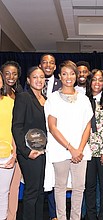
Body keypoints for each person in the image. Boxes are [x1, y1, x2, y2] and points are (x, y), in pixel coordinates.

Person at [44, 60, 93, 220]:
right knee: (60, 187)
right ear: (60, 76)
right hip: (60, 150)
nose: (69, 77)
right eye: (64, 74)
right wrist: (70, 148)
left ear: (77, 75)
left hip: (81, 151)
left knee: (79, 188)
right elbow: (52, 127)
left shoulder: (84, 99)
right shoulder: (53, 98)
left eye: (72, 73)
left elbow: (88, 126)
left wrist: (78, 149)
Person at [12, 66, 46, 220]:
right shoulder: (24, 97)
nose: (39, 80)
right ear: (28, 80)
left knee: (40, 190)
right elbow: (17, 126)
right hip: (29, 153)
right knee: (32, 191)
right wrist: (26, 151)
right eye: (35, 77)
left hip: (43, 151)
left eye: (41, 77)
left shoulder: (46, 99)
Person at [84, 69, 103, 220]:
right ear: (89, 82)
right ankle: (91, 216)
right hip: (86, 152)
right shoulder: (82, 101)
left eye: (100, 80)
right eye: (94, 80)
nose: (97, 83)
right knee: (89, 187)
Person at [39, 53, 62, 220]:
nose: (48, 65)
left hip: (56, 138)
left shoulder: (63, 85)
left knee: (55, 178)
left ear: (55, 67)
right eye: (44, 62)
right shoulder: (33, 84)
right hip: (37, 139)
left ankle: (54, 215)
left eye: (51, 63)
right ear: (40, 65)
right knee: (40, 177)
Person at [1, 60, 23, 220]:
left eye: (14, 73)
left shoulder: (20, 96)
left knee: (13, 188)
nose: (11, 76)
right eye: (7, 73)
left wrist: (16, 151)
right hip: (3, 150)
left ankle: (11, 217)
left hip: (17, 149)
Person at [0, 71, 17, 220]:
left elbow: (15, 130)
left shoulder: (11, 102)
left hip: (6, 155)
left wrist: (15, 155)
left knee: (3, 192)